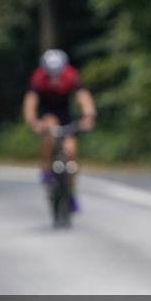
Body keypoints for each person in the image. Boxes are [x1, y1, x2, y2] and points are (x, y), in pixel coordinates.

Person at [22, 49, 96, 211]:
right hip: (47, 113)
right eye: (51, 75)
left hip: (65, 114)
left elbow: (84, 97)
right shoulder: (38, 79)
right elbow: (30, 102)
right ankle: (46, 169)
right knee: (50, 130)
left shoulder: (71, 76)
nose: (54, 79)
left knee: (71, 151)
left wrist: (88, 116)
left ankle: (71, 191)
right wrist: (33, 122)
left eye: (58, 74)